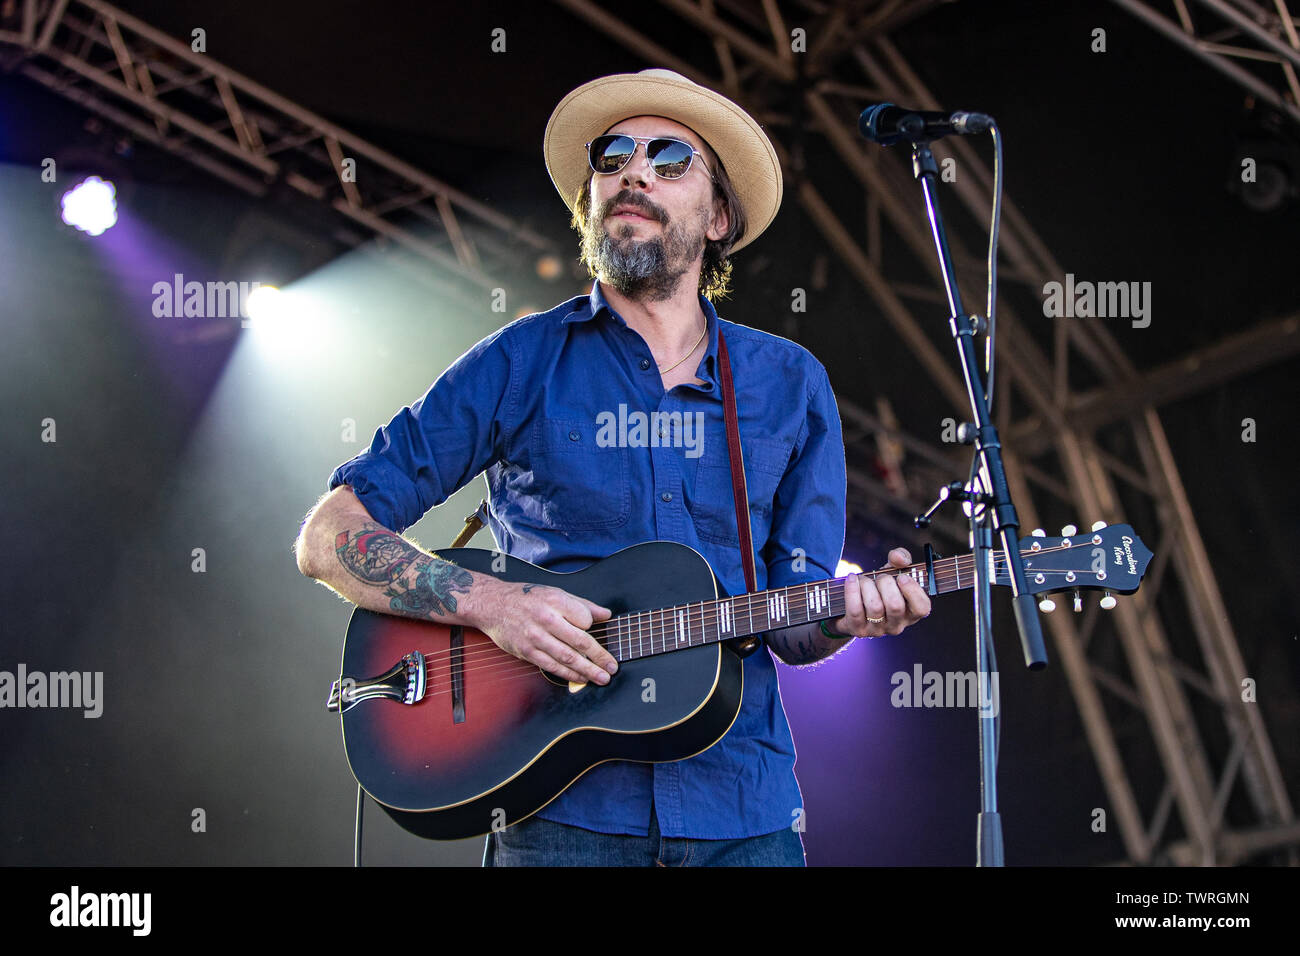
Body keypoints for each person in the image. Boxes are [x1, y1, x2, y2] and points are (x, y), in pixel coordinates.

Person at [294, 69, 931, 867]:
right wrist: (495, 604)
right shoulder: (521, 359)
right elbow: (329, 536)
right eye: (614, 155)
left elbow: (794, 623)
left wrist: (850, 613)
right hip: (556, 814)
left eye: (670, 161)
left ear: (719, 216)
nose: (633, 171)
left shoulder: (788, 382)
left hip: (742, 809)